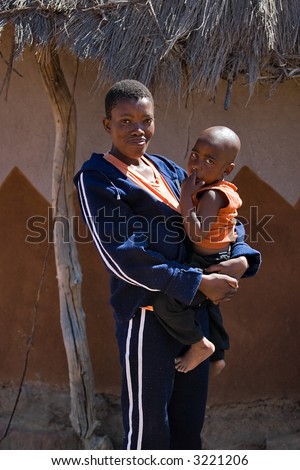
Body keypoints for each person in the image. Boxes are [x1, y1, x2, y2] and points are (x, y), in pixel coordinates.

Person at [74, 79, 261, 450]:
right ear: (106, 124)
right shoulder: (98, 179)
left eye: (145, 119)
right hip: (149, 316)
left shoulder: (169, 170)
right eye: (125, 120)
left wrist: (242, 257)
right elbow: (124, 256)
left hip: (195, 313)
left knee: (188, 425)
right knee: (150, 431)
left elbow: (222, 216)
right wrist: (197, 281)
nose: (137, 129)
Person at [153, 126, 243, 376]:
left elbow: (197, 233)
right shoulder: (219, 191)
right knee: (209, 303)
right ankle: (219, 355)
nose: (197, 164)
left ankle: (198, 344)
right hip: (214, 256)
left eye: (209, 160)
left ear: (227, 170)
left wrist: (184, 198)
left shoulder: (212, 195)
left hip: (206, 259)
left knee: (166, 303)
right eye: (195, 155)